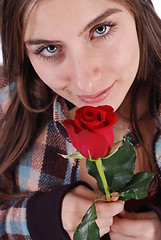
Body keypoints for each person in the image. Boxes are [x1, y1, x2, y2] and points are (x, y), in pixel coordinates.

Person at [0, 0, 160, 239]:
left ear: (139, 13)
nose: (85, 83)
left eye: (101, 29)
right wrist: (39, 218)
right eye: (50, 49)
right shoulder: (6, 103)